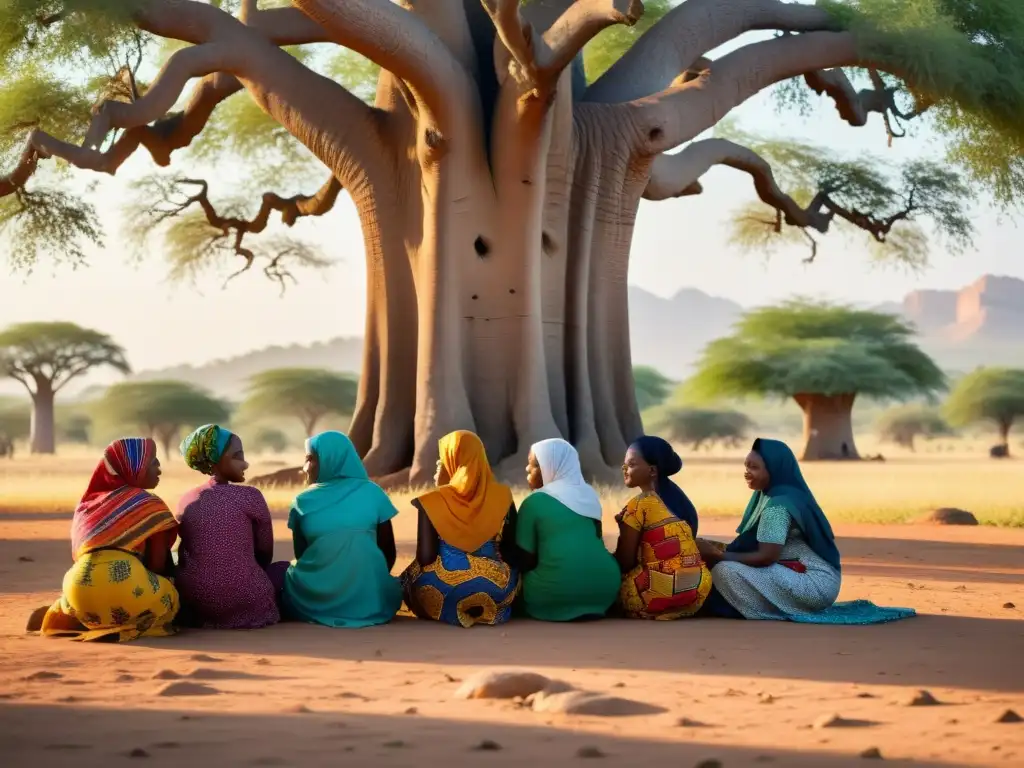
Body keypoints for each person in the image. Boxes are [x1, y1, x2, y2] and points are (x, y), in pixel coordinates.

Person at [698, 438, 913, 624]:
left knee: (725, 570)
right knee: (726, 565)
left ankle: (755, 610)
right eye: (746, 466)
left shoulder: (778, 506)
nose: (747, 473)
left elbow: (765, 557)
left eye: (754, 467)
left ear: (773, 469)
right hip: (803, 575)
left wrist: (717, 555)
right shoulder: (780, 495)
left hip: (813, 585)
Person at [37, 438, 180, 642]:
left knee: (84, 596)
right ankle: (128, 624)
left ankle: (73, 613)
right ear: (134, 467)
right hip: (127, 587)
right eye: (153, 462)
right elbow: (158, 564)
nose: (159, 468)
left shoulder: (87, 505)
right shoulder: (147, 504)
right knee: (170, 596)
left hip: (76, 585)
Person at [281, 431, 402, 628]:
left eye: (310, 459)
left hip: (314, 600)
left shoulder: (302, 501)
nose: (305, 468)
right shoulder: (373, 492)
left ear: (329, 460)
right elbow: (388, 552)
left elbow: (301, 555)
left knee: (279, 575)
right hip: (371, 600)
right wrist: (369, 584)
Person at [401, 430, 521, 628]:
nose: (437, 468)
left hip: (444, 591)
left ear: (453, 463)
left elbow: (426, 557)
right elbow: (510, 551)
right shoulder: (503, 497)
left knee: (408, 578)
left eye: (441, 462)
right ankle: (487, 610)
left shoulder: (432, 502)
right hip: (497, 591)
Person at [175, 425, 289, 629]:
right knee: (283, 570)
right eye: (238, 456)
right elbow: (264, 552)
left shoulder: (186, 499)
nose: (245, 464)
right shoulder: (250, 496)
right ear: (216, 459)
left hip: (197, 601)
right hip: (246, 599)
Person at [516, 439, 620, 621]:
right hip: (605, 588)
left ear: (550, 468)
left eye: (533, 465)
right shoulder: (589, 496)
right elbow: (597, 541)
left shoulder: (534, 502)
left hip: (554, 593)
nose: (527, 469)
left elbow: (525, 559)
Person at [615, 436, 711, 619]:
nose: (624, 469)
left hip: (656, 592)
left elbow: (625, 562)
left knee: (608, 576)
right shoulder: (681, 501)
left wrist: (623, 534)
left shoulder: (639, 505)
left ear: (652, 470)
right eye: (624, 465)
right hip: (696, 594)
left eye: (632, 464)